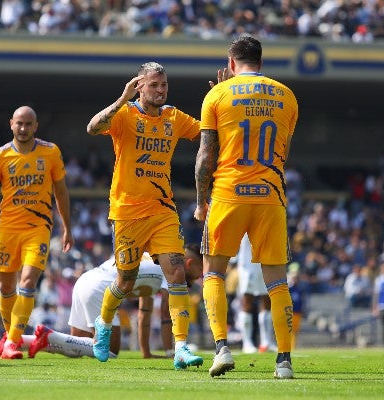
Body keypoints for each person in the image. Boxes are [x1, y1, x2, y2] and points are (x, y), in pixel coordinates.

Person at [86, 61, 203, 370]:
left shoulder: (173, 117)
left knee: (177, 274)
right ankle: (103, 321)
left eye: (164, 85)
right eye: (154, 85)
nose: (161, 90)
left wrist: (222, 98)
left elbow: (206, 131)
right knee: (125, 281)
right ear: (140, 87)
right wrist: (122, 99)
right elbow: (92, 127)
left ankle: (180, 347)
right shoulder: (124, 115)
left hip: (163, 210)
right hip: (127, 212)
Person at [194, 35, 298, 379]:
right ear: (262, 63)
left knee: (213, 273)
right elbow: (281, 147)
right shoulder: (287, 96)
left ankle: (222, 348)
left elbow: (206, 156)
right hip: (270, 195)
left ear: (231, 63)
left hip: (228, 193)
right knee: (277, 282)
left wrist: (201, 200)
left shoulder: (217, 95)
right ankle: (283, 361)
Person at [0, 106, 74, 360]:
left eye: (28, 124)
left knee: (27, 282)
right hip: (8, 230)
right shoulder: (0, 156)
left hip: (39, 228)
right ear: (11, 124)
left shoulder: (51, 152)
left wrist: (67, 227)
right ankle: (9, 336)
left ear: (36, 126)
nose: (23, 129)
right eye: (19, 124)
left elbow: (61, 191)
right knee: (6, 287)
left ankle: (12, 341)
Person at [26, 243, 204, 359]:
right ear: (189, 263)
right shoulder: (172, 268)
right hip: (100, 288)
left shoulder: (154, 259)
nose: (198, 277)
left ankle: (18, 340)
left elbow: (144, 314)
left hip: (86, 281)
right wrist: (170, 352)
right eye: (200, 270)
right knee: (110, 352)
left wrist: (147, 353)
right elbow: (167, 314)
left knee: (76, 346)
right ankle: (50, 336)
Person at [235, 233, 276, 354]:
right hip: (248, 263)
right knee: (248, 300)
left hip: (265, 260)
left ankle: (267, 342)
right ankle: (246, 342)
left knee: (267, 299)